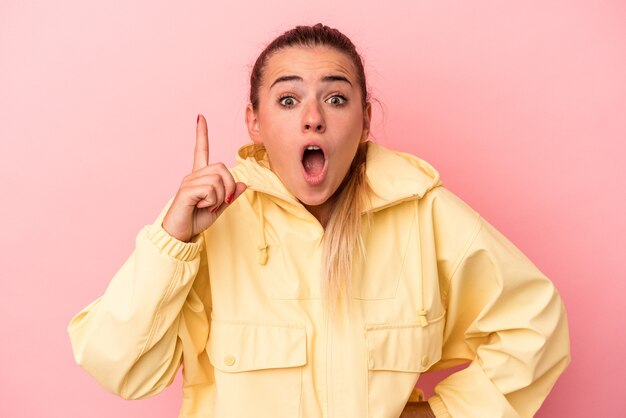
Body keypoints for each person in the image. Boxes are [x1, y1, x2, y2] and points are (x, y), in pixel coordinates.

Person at [68, 23, 570, 418]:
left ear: (366, 119)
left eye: (335, 98)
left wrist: (447, 413)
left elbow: (534, 324)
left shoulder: (426, 212)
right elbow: (120, 368)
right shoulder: (208, 223)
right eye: (288, 100)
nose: (313, 118)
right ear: (255, 122)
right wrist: (172, 240)